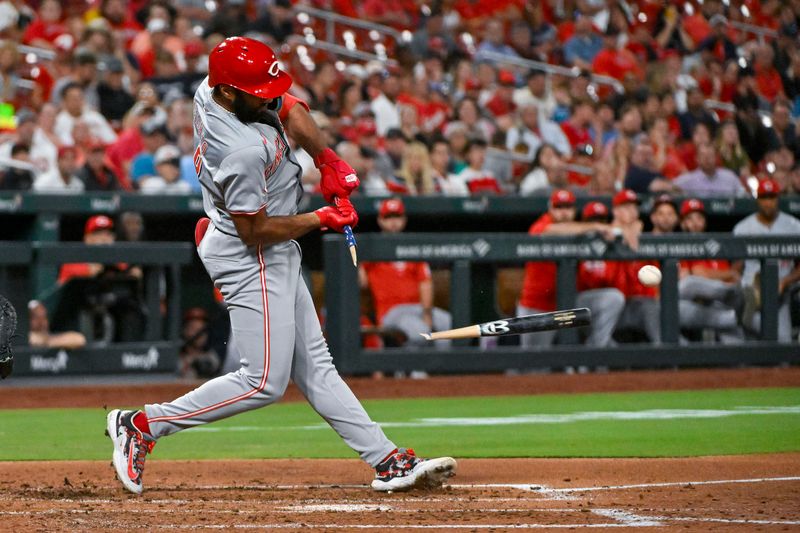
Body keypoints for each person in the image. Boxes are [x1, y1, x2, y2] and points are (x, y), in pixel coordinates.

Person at [105, 37, 455, 496]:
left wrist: (326, 158)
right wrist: (321, 217)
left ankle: (387, 460)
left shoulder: (213, 89)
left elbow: (289, 105)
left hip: (264, 240)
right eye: (257, 89)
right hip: (248, 252)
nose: (269, 94)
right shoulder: (239, 150)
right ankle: (142, 425)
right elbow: (256, 231)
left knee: (317, 366)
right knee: (263, 382)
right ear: (229, 93)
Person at [517, 189, 624, 348]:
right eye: (558, 207)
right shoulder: (542, 225)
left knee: (613, 298)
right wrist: (595, 226)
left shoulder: (581, 231)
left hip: (570, 303)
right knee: (534, 365)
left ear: (574, 211)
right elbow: (551, 231)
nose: (564, 213)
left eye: (567, 208)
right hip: (539, 307)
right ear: (550, 209)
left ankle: (595, 350)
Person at [359, 198, 452, 349]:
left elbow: (425, 283)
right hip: (391, 312)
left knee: (451, 325)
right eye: (388, 217)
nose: (393, 222)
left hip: (417, 308)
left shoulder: (412, 246)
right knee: (419, 331)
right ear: (380, 221)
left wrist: (427, 312)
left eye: (396, 216)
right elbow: (361, 282)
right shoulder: (373, 247)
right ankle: (415, 371)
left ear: (404, 219)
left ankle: (441, 370)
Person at [733, 179, 800, 341]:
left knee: (783, 343)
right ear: (758, 200)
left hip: (782, 291)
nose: (768, 203)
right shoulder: (743, 228)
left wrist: (786, 281)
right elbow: (736, 268)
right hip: (752, 293)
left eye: (772, 197)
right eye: (764, 198)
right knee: (753, 342)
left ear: (778, 199)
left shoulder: (794, 226)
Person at [677, 198, 744, 343]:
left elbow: (731, 279)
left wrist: (727, 275)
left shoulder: (714, 245)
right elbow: (696, 275)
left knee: (736, 346)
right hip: (690, 302)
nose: (695, 223)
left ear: (705, 221)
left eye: (699, 217)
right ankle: (738, 313)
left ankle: (737, 317)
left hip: (716, 303)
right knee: (691, 282)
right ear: (682, 223)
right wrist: (729, 274)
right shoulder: (678, 244)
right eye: (689, 218)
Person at [673, 143, 747, 197]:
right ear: (697, 159)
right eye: (703, 155)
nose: (707, 158)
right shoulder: (688, 179)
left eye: (710, 155)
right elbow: (671, 187)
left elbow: (743, 195)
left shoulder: (730, 177)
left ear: (716, 158)